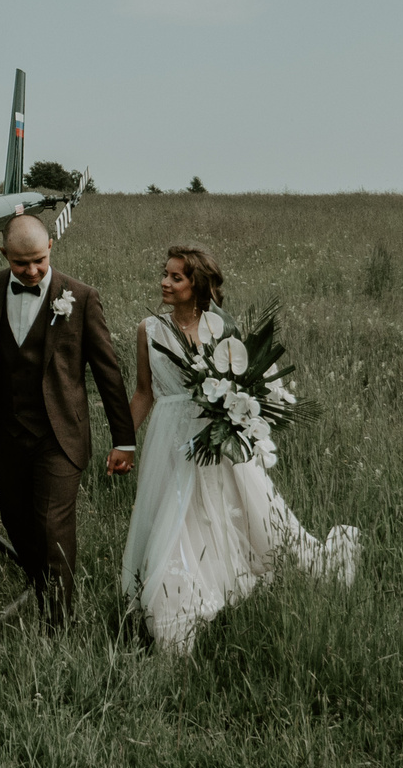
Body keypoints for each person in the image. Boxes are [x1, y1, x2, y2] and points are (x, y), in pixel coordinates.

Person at [121, 243, 360, 654]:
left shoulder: (223, 329)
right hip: (168, 438)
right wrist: (124, 442)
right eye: (164, 274)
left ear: (197, 284)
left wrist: (239, 417)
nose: (163, 282)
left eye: (175, 277)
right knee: (171, 516)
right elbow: (144, 392)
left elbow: (244, 380)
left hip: (215, 436)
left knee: (229, 512)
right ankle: (170, 599)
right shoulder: (149, 329)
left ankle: (213, 584)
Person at [0, 214, 136, 620]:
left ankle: (58, 625)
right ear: (4, 254)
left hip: (60, 435)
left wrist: (123, 439)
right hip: (7, 433)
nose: (31, 270)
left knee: (51, 526)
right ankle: (44, 592)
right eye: (21, 262)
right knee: (16, 521)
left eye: (38, 260)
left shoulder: (81, 296)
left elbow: (108, 373)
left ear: (51, 248)